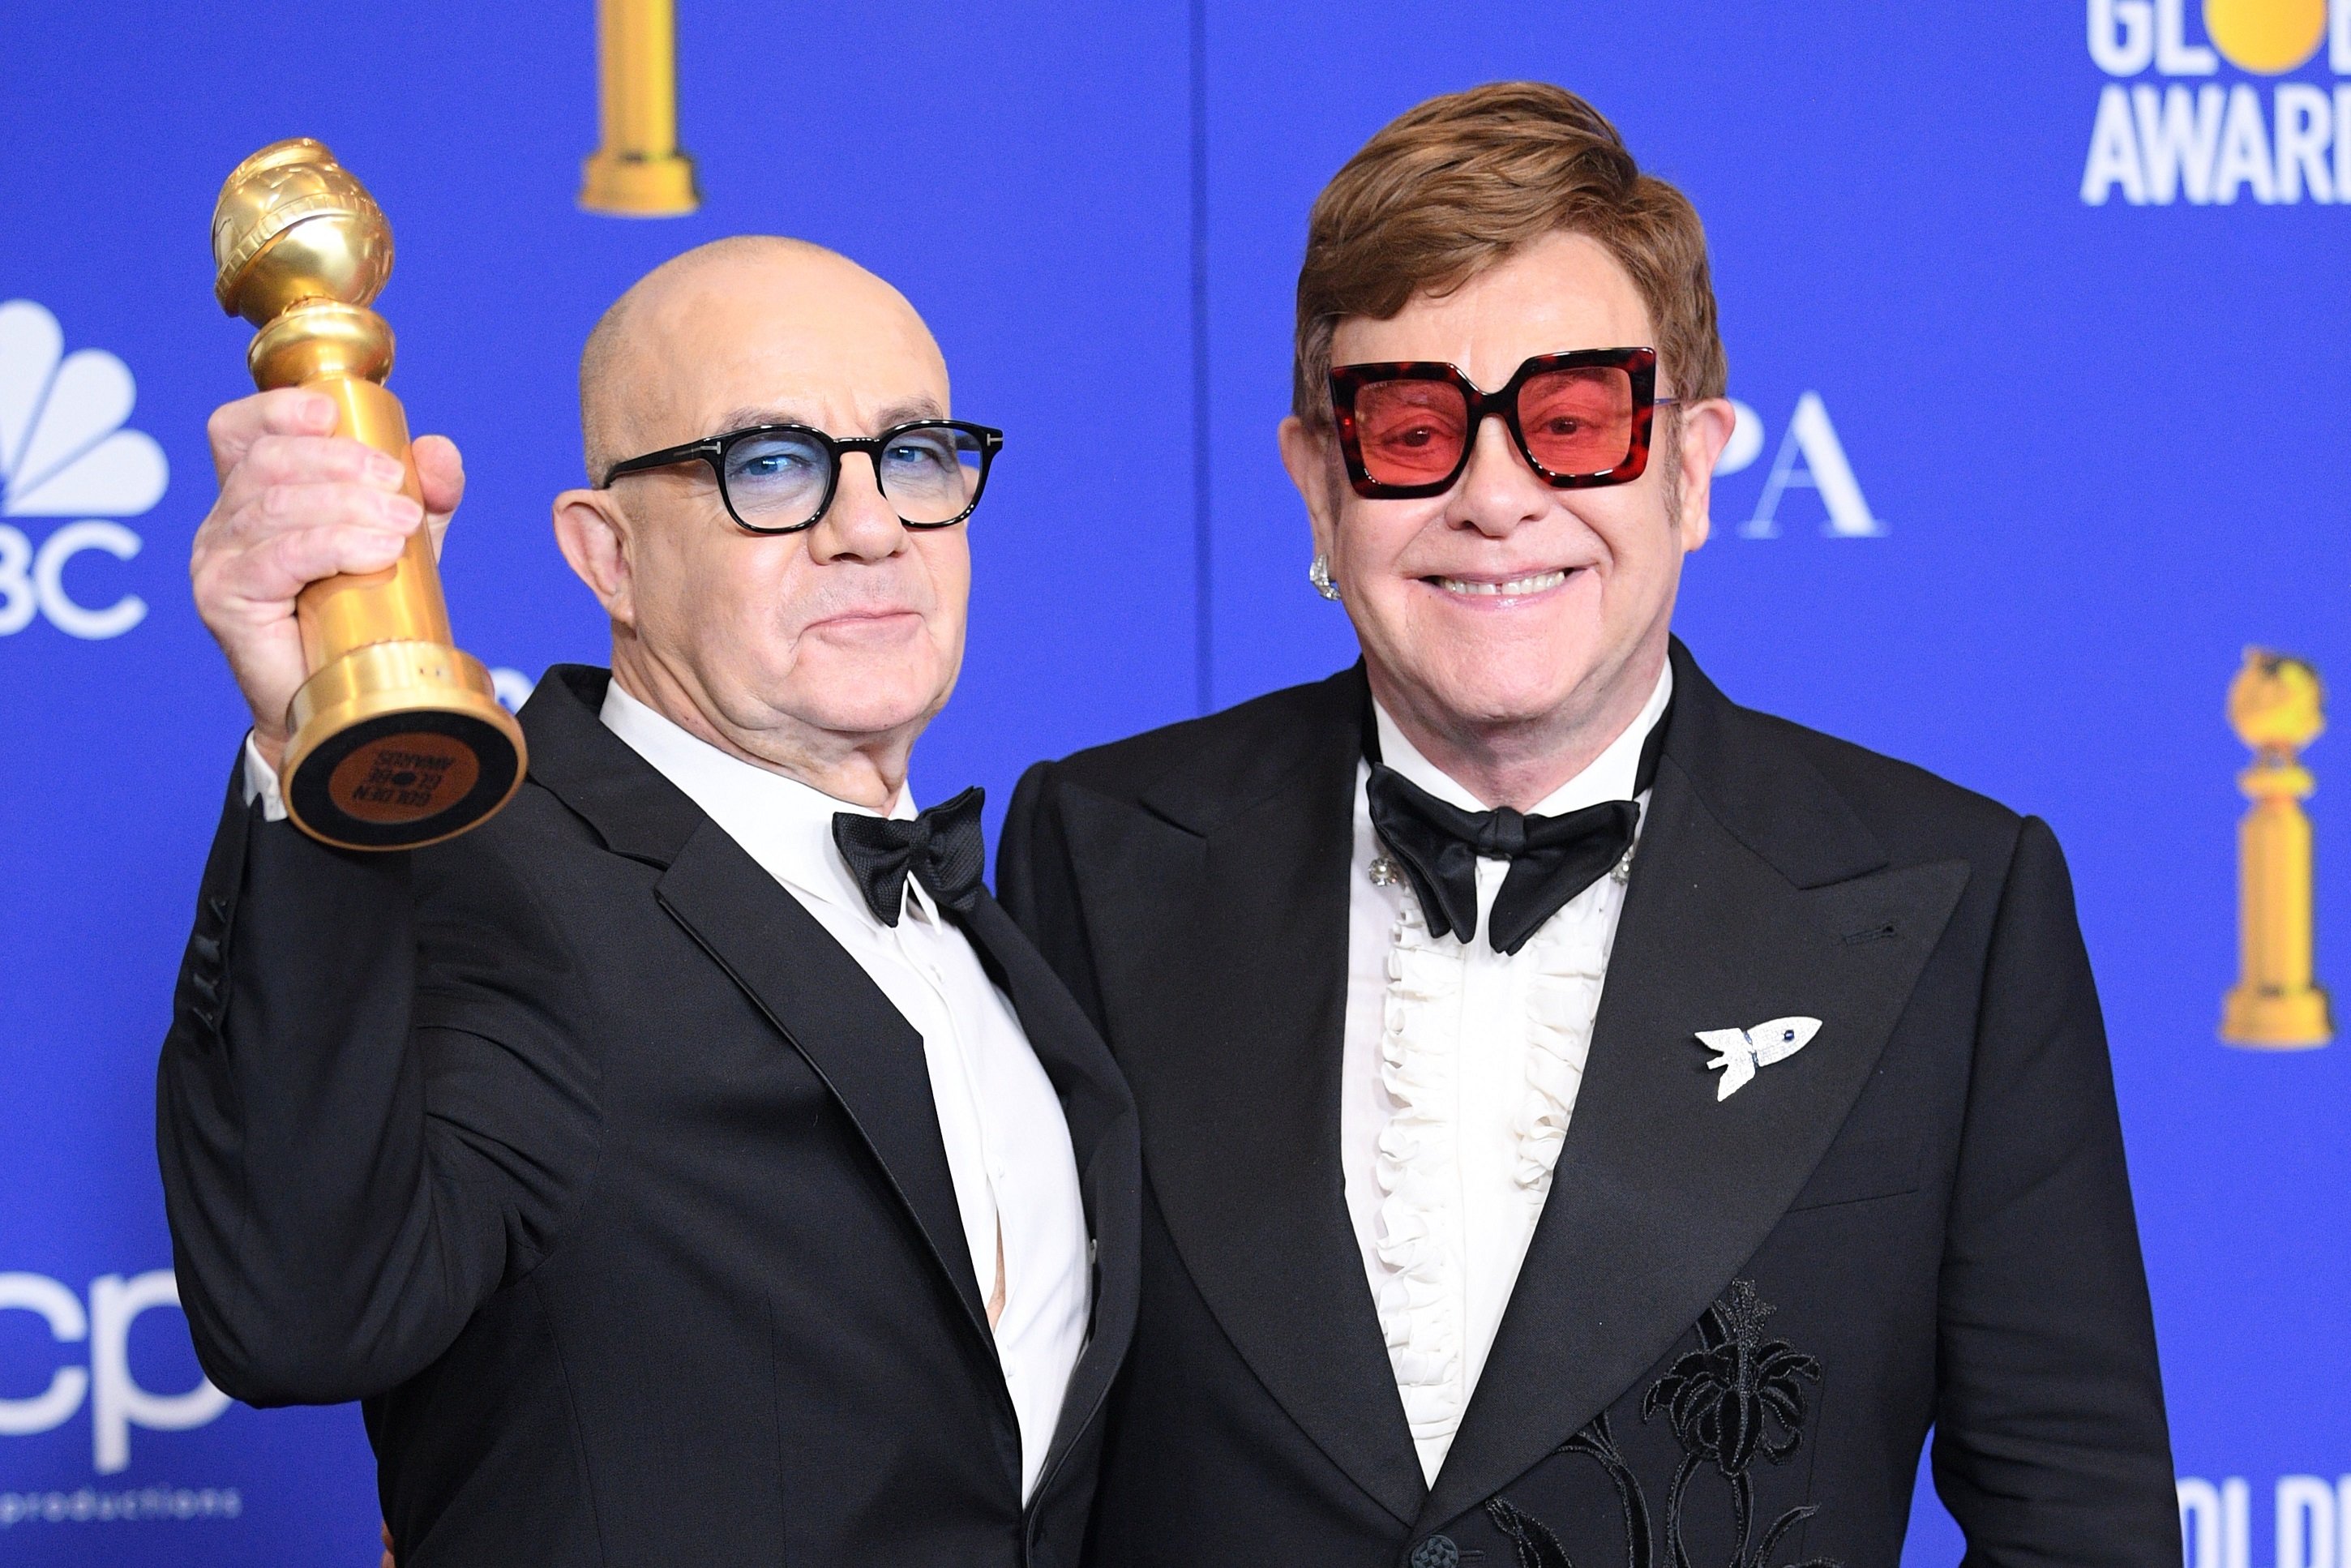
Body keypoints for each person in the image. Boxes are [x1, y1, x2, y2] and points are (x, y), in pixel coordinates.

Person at [998, 84, 2178, 1567]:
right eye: (1415, 427)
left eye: (1573, 420)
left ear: (1692, 467)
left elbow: (2081, 1519)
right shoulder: (1096, 853)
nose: (1497, 498)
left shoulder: (1954, 900)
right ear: (1317, 482)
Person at [158, 237, 1137, 1566]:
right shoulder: (495, 879)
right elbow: (298, 1308)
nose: (870, 527)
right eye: (773, 465)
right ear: (606, 555)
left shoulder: (1007, 924)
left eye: (915, 454)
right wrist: (303, 738)